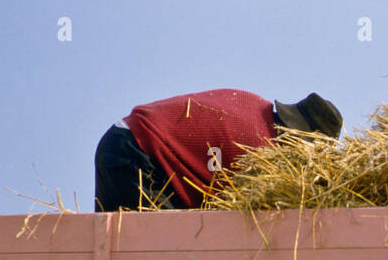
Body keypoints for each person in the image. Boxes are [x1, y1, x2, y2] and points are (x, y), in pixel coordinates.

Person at [94, 89, 342, 212]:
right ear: (301, 143)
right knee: (168, 257)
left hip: (126, 140)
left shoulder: (255, 105)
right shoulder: (262, 150)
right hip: (136, 155)